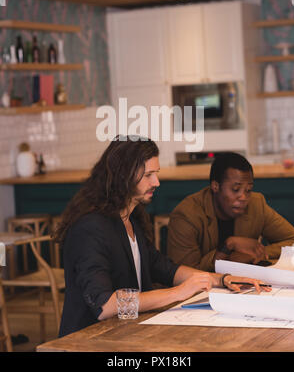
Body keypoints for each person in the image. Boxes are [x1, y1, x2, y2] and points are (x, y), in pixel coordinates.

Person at [54, 139, 270, 337]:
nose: (156, 182)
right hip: (89, 341)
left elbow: (165, 268)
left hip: (125, 334)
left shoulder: (131, 220)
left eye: (156, 173)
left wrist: (221, 280)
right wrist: (179, 292)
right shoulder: (90, 228)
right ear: (123, 174)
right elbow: (105, 306)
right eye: (148, 175)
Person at [167, 152, 294, 272]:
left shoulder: (256, 204)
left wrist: (256, 252)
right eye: (236, 189)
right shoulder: (186, 215)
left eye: (248, 190)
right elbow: (182, 273)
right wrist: (229, 246)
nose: (243, 197)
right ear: (215, 186)